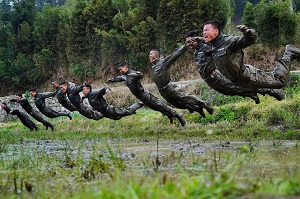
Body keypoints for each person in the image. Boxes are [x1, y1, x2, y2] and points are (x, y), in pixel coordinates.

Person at [185, 31, 284, 104]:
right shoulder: (197, 51)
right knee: (228, 91)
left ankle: (269, 91)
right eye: (187, 42)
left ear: (196, 40)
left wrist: (202, 39)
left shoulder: (206, 47)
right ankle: (252, 94)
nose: (188, 44)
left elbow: (218, 47)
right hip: (210, 80)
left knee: (236, 88)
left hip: (216, 76)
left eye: (190, 41)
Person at [201, 20, 300, 89]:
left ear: (216, 31)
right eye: (203, 31)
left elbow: (248, 41)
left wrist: (248, 33)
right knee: (264, 89)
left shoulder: (228, 41)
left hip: (248, 76)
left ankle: (289, 52)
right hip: (240, 83)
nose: (203, 32)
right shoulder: (214, 48)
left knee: (279, 81)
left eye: (206, 30)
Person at [107, 62, 186, 126]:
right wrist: (112, 80)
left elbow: (140, 75)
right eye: (119, 70)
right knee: (156, 108)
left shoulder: (132, 73)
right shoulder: (125, 76)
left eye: (121, 69)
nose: (120, 71)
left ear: (125, 67)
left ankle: (178, 115)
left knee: (161, 105)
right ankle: (171, 117)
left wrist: (131, 75)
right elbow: (120, 78)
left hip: (145, 95)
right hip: (141, 97)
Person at [149, 46, 213, 118]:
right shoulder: (153, 67)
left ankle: (205, 104)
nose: (149, 55)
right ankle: (196, 108)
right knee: (177, 105)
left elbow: (175, 55)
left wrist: (185, 47)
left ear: (157, 56)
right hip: (163, 92)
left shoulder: (163, 62)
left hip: (169, 88)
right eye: (149, 54)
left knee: (185, 97)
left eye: (151, 54)